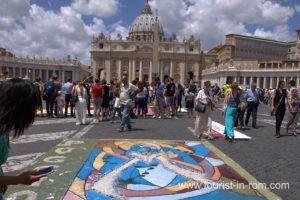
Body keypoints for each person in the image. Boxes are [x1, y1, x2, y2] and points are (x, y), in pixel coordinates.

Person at [0, 79, 48, 198]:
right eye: (32, 108)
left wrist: (4, 180)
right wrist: (17, 179)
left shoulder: (4, 126)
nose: (34, 114)